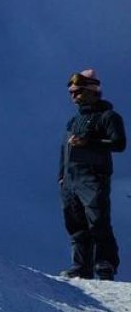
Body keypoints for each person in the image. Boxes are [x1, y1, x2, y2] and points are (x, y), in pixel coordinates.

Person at [59, 69, 125, 280]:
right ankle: (80, 267)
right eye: (72, 92)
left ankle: (105, 264)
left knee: (97, 221)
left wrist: (90, 142)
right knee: (75, 225)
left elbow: (119, 144)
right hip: (71, 179)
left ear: (92, 90)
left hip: (93, 176)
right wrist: (61, 176)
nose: (74, 96)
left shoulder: (108, 117)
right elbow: (64, 150)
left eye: (78, 91)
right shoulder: (73, 121)